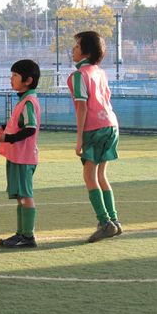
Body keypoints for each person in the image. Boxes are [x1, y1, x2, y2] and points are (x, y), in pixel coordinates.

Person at [67, 31, 121, 243]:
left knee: (89, 176)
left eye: (77, 46)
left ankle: (105, 222)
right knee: (101, 175)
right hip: (111, 125)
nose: (73, 49)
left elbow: (82, 107)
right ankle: (114, 221)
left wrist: (79, 138)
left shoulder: (79, 75)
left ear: (86, 51)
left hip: (95, 128)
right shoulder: (99, 72)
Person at [0, 59, 41, 248]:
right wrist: (3, 128)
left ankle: (27, 236)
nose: (11, 79)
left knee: (25, 195)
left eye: (15, 76)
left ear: (27, 80)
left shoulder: (28, 101)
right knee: (21, 196)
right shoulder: (24, 100)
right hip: (18, 155)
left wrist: (6, 139)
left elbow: (30, 128)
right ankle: (21, 234)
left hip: (23, 156)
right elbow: (17, 122)